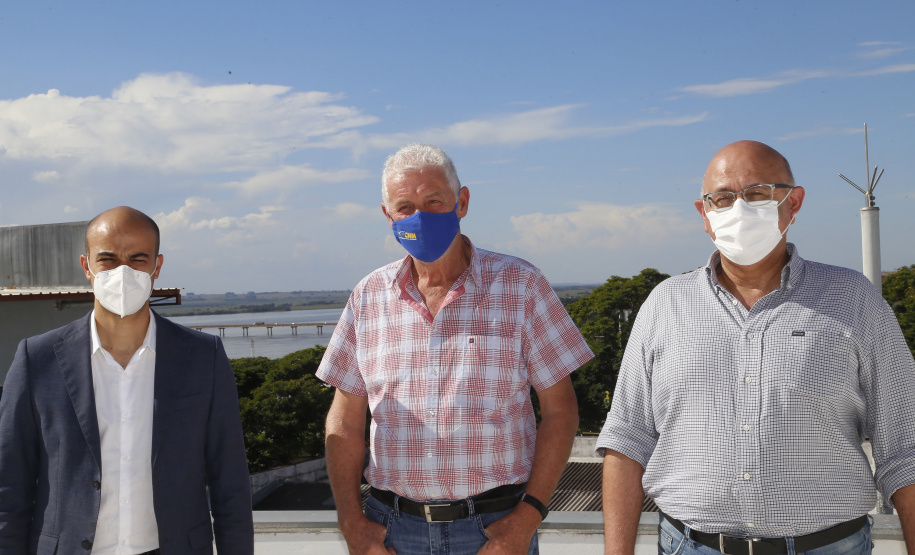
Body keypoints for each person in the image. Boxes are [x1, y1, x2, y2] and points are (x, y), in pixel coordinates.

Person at [598, 140, 915, 555]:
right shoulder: (665, 305)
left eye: (756, 194)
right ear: (704, 215)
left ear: (793, 202)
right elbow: (627, 439)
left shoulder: (855, 300)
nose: (739, 209)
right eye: (723, 198)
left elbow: (904, 448)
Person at [318, 144, 594, 555]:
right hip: (391, 531)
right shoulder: (368, 297)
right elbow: (343, 422)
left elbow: (560, 410)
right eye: (405, 206)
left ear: (461, 202)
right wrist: (350, 521)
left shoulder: (521, 286)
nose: (419, 217)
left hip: (495, 529)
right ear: (387, 215)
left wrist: (528, 517)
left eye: (433, 201)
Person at [0, 206, 254, 555]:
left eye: (137, 258)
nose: (123, 271)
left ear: (156, 266)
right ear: (86, 266)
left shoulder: (202, 357)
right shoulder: (37, 360)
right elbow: (9, 485)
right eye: (107, 259)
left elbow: (231, 482)